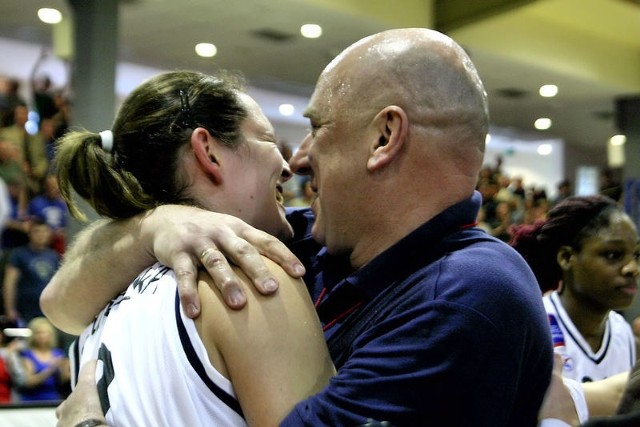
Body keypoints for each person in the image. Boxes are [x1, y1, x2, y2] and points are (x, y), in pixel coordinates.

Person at [44, 29, 553, 426]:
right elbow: (58, 303)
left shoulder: (467, 296)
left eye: (316, 127)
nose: (299, 159)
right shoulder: (292, 240)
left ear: (384, 137)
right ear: (207, 152)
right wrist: (158, 223)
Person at [51, 70, 335, 426]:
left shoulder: (101, 301)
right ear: (209, 152)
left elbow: (55, 303)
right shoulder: (250, 279)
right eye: (268, 140)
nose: (288, 166)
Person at [511, 195, 639, 385]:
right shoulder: (532, 326)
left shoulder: (623, 333)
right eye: (613, 254)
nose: (633, 268)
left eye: (637, 255)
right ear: (566, 257)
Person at [3, 219, 60, 324]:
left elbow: (58, 285)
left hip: (47, 311)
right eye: (37, 231)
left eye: (44, 231)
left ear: (49, 234)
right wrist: (10, 309)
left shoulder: (53, 256)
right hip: (25, 312)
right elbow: (9, 283)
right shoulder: (19, 254)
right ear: (30, 234)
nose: (41, 235)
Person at [16, 316, 69, 401]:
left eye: (45, 333)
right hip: (31, 401)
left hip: (53, 399)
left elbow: (63, 381)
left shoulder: (58, 354)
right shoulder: (27, 354)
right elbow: (29, 382)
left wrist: (67, 368)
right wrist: (50, 370)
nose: (42, 336)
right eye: (38, 333)